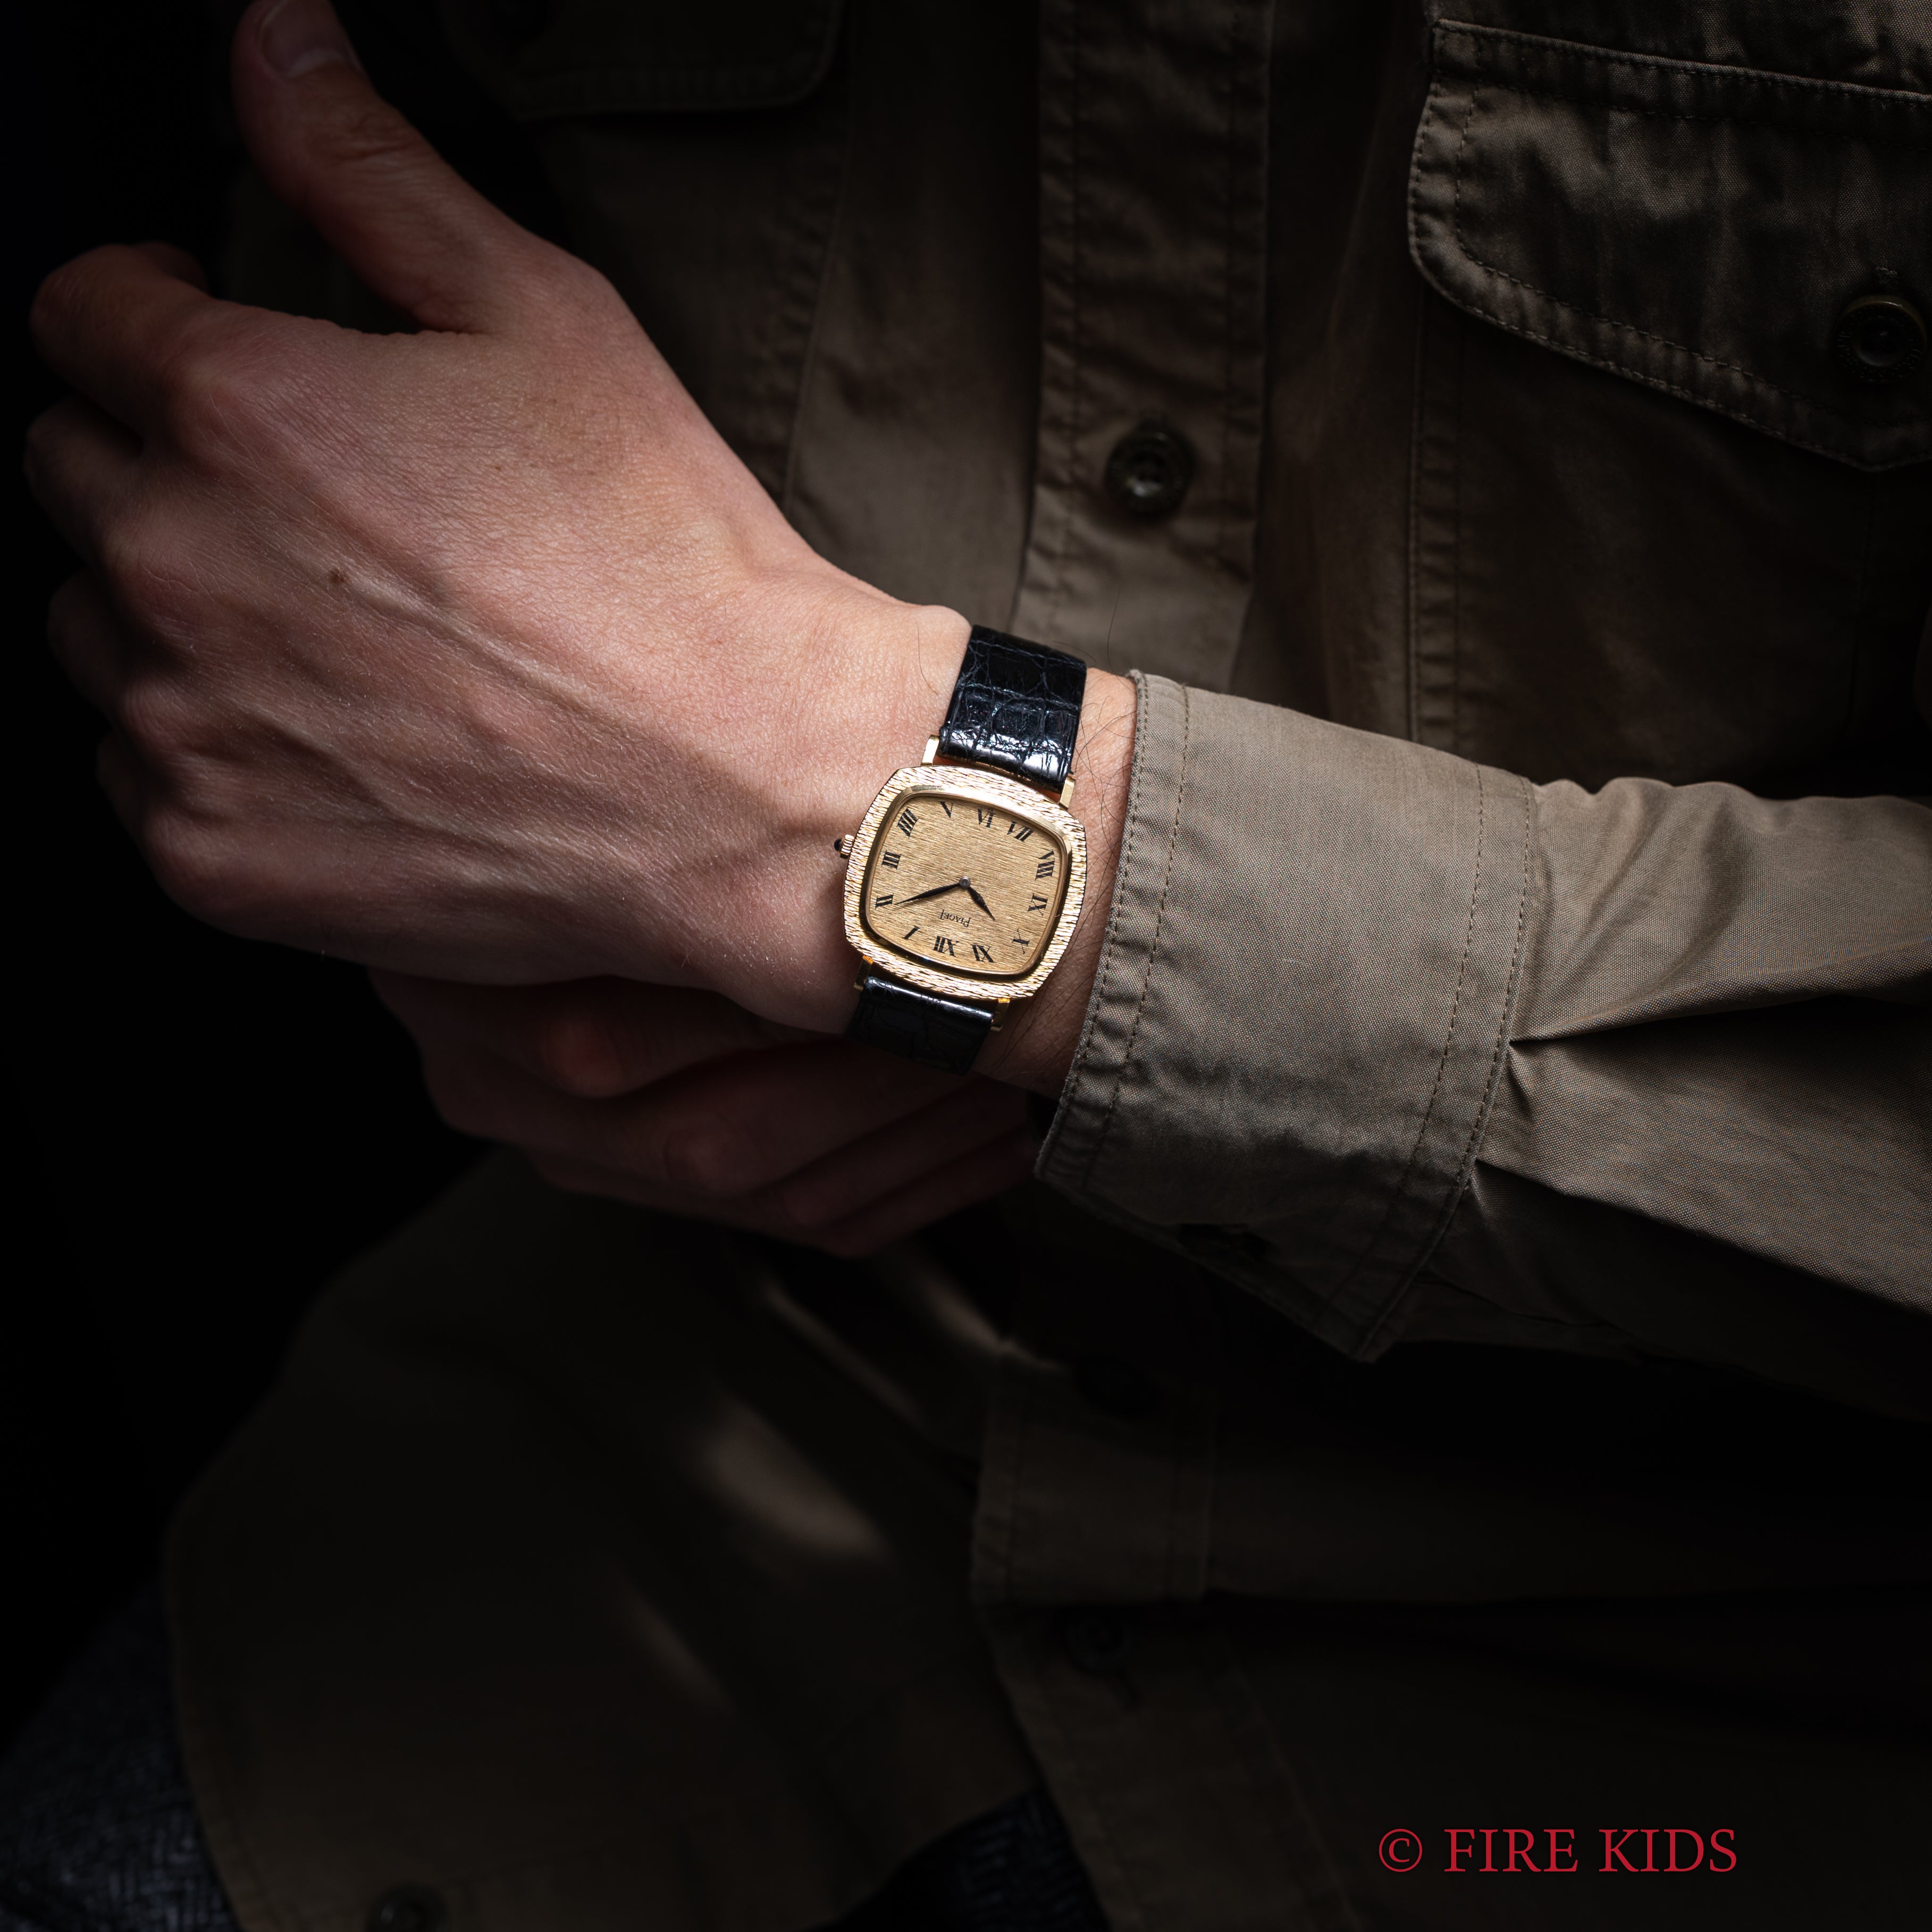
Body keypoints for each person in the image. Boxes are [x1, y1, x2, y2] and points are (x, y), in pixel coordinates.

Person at [9, 0, 1929, 1927]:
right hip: (680, 1451)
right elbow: (343, 559)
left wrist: (843, 805)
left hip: (1712, 1672)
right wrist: (472, 898)